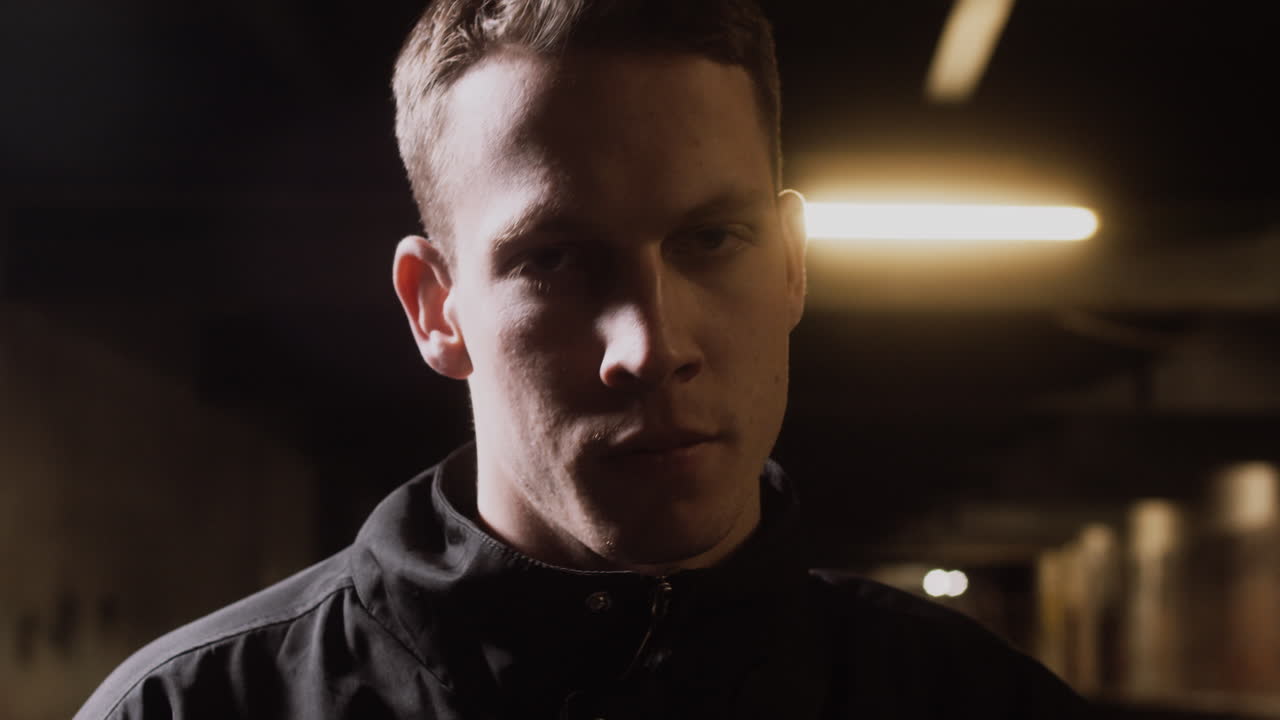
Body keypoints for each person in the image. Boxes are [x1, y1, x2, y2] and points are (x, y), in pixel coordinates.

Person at [77, 1, 1086, 717]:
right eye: (553, 260)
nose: (648, 348)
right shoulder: (190, 707)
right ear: (437, 308)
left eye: (711, 241)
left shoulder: (978, 701)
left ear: (789, 266)